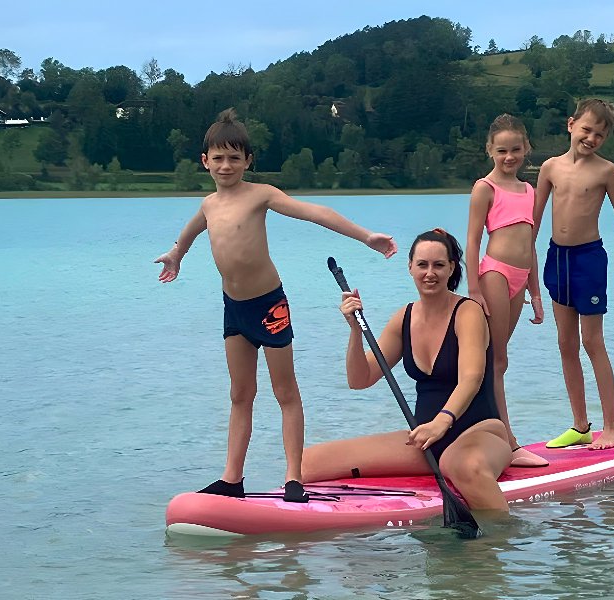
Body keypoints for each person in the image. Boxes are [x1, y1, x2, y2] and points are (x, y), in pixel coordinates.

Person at [154, 108, 397, 500]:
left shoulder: (261, 195)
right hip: (234, 309)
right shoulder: (207, 205)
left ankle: (293, 478)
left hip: (269, 306)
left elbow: (316, 213)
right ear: (205, 162)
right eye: (218, 158)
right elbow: (190, 234)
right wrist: (175, 255)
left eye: (234, 157)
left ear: (248, 160)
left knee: (285, 392)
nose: (226, 165)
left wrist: (365, 236)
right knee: (240, 394)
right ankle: (232, 478)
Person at [301, 229, 526, 512]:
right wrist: (355, 332)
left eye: (438, 265)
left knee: (462, 466)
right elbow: (360, 379)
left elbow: (472, 377)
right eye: (422, 265)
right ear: (410, 267)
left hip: (479, 432)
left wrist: (442, 421)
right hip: (425, 439)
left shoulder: (468, 312)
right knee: (308, 462)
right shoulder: (404, 318)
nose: (429, 273)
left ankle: (497, 543)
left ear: (452, 268)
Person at [533, 98, 614, 451]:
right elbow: (532, 223)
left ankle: (612, 428)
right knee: (565, 344)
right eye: (587, 129)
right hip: (557, 259)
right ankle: (581, 425)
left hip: (588, 260)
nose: (592, 138)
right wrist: (524, 271)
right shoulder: (549, 168)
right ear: (570, 125)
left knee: (592, 341)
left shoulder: (605, 171)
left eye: (600, 134)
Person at [466, 114, 548, 468]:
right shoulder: (485, 187)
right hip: (495, 274)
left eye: (516, 149)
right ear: (490, 150)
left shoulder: (529, 190)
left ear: (526, 149)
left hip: (520, 277)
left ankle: (486, 432)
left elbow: (530, 244)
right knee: (496, 360)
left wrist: (536, 292)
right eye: (502, 150)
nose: (509, 157)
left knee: (496, 360)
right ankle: (509, 443)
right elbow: (471, 240)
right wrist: (474, 289)